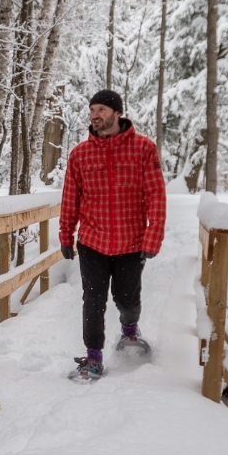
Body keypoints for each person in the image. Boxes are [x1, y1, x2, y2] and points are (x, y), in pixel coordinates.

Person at [58, 89, 166, 382]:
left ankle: (129, 330)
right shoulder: (80, 154)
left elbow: (155, 195)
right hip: (92, 241)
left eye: (102, 110)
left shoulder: (143, 148)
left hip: (131, 241)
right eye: (92, 110)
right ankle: (93, 357)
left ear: (117, 113)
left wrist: (153, 236)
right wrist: (66, 234)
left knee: (127, 299)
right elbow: (70, 198)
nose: (95, 115)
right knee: (93, 301)